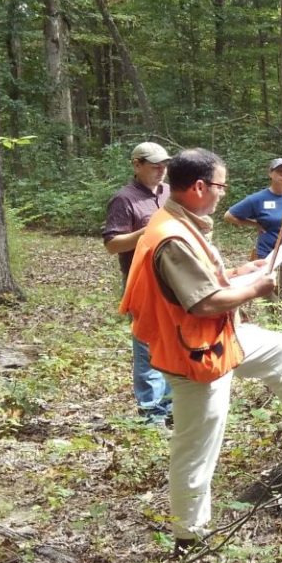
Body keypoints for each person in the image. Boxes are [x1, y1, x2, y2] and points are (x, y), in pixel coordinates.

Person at [120, 148, 282, 551]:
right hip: (194, 355)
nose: (223, 193)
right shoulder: (171, 236)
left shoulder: (183, 225)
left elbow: (208, 281)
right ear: (200, 186)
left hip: (218, 341)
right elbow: (202, 302)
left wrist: (244, 271)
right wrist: (257, 287)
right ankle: (190, 536)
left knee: (278, 347)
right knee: (196, 448)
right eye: (221, 185)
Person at [103, 142, 173, 425]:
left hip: (172, 279)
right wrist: (147, 232)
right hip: (141, 281)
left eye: (164, 165)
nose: (161, 171)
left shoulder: (170, 193)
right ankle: (150, 412)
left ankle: (170, 408)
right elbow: (112, 244)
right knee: (147, 347)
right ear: (137, 165)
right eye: (155, 165)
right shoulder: (124, 199)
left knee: (172, 343)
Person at [224, 158, 282, 309]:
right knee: (272, 301)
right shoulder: (259, 198)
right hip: (269, 258)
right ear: (270, 174)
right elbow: (229, 215)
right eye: (278, 171)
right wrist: (254, 224)